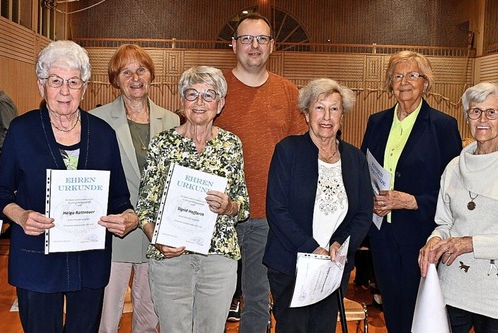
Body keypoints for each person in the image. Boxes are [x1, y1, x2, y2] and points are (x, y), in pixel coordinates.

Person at [0, 40, 138, 333]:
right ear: (41, 85)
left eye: (74, 82)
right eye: (56, 81)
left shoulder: (103, 134)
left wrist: (129, 217)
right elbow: (0, 191)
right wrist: (20, 216)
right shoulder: (22, 130)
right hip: (36, 258)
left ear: (85, 87)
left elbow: (119, 196)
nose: (65, 91)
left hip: (88, 259)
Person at [419, 82, 498, 333]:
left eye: (492, 112)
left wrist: (468, 243)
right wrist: (434, 241)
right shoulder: (454, 166)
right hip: (452, 289)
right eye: (475, 111)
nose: (482, 119)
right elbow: (444, 223)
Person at [136, 66, 249, 333]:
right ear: (181, 100)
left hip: (218, 259)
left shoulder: (231, 145)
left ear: (220, 104)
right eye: (192, 94)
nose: (200, 103)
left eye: (209, 95)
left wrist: (228, 206)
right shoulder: (162, 144)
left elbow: (243, 205)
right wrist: (157, 238)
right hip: (170, 258)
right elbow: (144, 207)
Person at [213, 13, 306, 332]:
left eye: (262, 39)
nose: (254, 45)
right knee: (214, 297)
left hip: (266, 216)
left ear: (272, 46)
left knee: (256, 298)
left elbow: (301, 153)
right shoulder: (215, 89)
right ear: (233, 45)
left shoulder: (289, 92)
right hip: (217, 213)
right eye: (246, 38)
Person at [360, 50, 462, 333]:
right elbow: (364, 171)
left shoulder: (443, 126)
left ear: (425, 83)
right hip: (382, 234)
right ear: (390, 83)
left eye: (412, 75)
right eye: (398, 75)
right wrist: (368, 199)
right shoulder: (376, 122)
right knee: (392, 309)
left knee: (421, 313)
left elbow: (453, 189)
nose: (404, 81)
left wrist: (413, 201)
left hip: (421, 235)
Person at [264, 78, 373, 332]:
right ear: (306, 114)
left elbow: (363, 213)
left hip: (334, 268)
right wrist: (312, 248)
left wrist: (340, 243)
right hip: (292, 265)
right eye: (319, 108)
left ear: (342, 115)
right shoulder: (288, 150)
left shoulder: (355, 158)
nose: (326, 116)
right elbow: (277, 209)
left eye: (334, 109)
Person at [90, 44, 179, 333]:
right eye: (126, 72)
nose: (135, 77)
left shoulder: (173, 121)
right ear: (115, 80)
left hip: (156, 236)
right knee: (105, 317)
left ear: (151, 75)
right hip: (115, 232)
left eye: (141, 70)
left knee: (149, 318)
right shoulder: (96, 119)